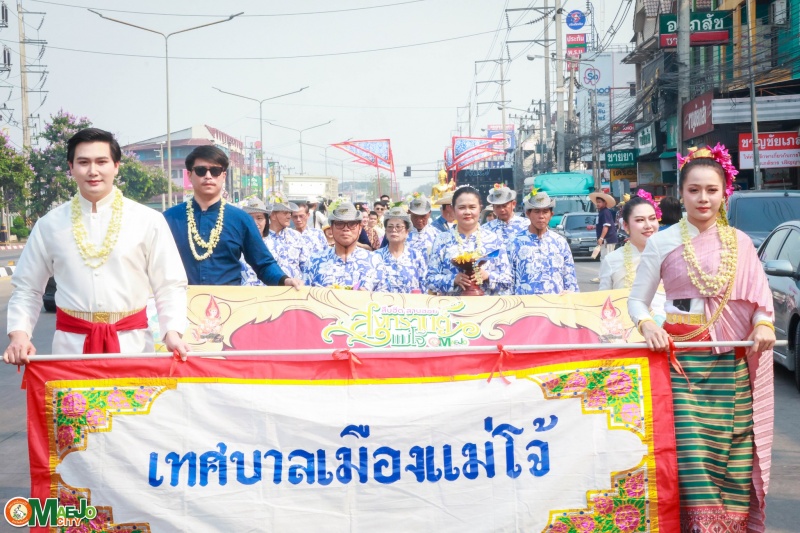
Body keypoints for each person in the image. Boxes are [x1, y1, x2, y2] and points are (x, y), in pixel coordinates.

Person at [628, 143, 775, 532]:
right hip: (683, 366)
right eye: (694, 190)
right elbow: (637, 302)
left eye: (712, 190)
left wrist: (763, 324)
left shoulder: (740, 243)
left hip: (732, 364)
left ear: (725, 192)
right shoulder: (662, 242)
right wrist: (648, 326)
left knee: (736, 456)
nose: (703, 198)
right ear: (681, 194)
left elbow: (760, 303)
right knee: (691, 459)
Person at [4, 128, 189, 362]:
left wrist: (172, 332)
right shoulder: (49, 225)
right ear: (71, 167)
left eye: (102, 162)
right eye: (83, 162)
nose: (93, 171)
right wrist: (19, 335)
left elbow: (169, 284)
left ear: (116, 166)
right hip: (70, 347)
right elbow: (27, 288)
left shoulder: (148, 220)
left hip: (133, 345)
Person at [163, 145, 300, 288]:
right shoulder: (169, 219)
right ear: (189, 175)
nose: (208, 176)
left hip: (228, 301)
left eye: (215, 171)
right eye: (201, 170)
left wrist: (284, 280)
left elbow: (263, 264)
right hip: (181, 300)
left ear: (223, 176)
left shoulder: (241, 219)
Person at [426, 186, 512, 296]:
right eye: (462, 207)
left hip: (486, 305)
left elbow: (507, 281)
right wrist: (453, 279)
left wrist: (488, 276)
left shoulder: (494, 240)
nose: (467, 212)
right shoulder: (442, 240)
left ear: (480, 208)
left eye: (472, 207)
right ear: (453, 210)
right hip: (452, 305)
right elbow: (430, 280)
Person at [599, 191, 667, 324]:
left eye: (652, 218)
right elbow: (602, 302)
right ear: (626, 226)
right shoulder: (612, 260)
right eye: (640, 220)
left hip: (669, 332)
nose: (648, 225)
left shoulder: (672, 255)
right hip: (629, 330)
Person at [304, 200, 386, 291]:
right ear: (331, 228)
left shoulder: (375, 262)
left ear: (359, 229)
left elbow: (383, 297)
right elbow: (304, 296)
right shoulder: (314, 261)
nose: (346, 228)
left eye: (352, 224)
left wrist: (367, 297)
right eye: (340, 224)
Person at [508, 190, 578, 295]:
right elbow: (508, 282)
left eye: (545, 212)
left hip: (555, 303)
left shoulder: (560, 243)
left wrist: (572, 296)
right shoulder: (515, 243)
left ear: (551, 214)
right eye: (536, 212)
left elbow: (570, 278)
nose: (541, 216)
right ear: (528, 214)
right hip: (525, 304)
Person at [375, 207, 427, 293]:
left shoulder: (416, 256)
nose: (394, 230)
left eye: (398, 227)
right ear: (386, 231)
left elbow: (424, 286)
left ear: (407, 232)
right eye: (390, 227)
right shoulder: (375, 257)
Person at [406, 193, 439, 258]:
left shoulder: (437, 235)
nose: (419, 220)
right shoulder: (401, 235)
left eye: (423, 216)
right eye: (415, 216)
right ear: (409, 213)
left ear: (429, 213)